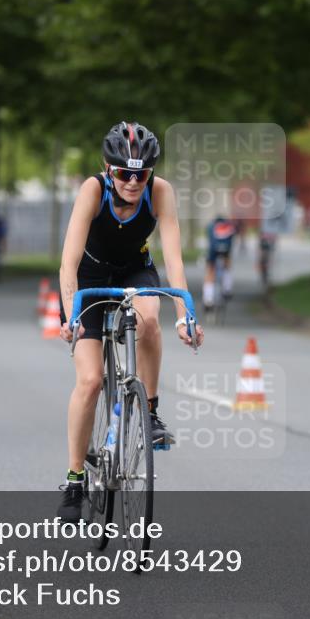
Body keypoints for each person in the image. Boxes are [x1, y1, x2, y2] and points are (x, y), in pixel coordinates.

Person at [56, 121, 204, 522]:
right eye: (124, 173)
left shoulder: (161, 192)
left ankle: (150, 411)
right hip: (88, 280)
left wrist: (185, 315)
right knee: (90, 381)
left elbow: (173, 259)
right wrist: (72, 316)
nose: (133, 182)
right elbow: (68, 263)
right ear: (108, 168)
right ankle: (73, 479)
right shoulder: (92, 190)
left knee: (150, 318)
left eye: (142, 174)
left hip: (134, 271)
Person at [203, 215, 237, 312]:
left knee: (210, 270)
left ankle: (208, 299)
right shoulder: (229, 226)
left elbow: (209, 241)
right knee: (227, 262)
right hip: (226, 250)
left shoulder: (211, 226)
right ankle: (227, 289)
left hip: (213, 252)